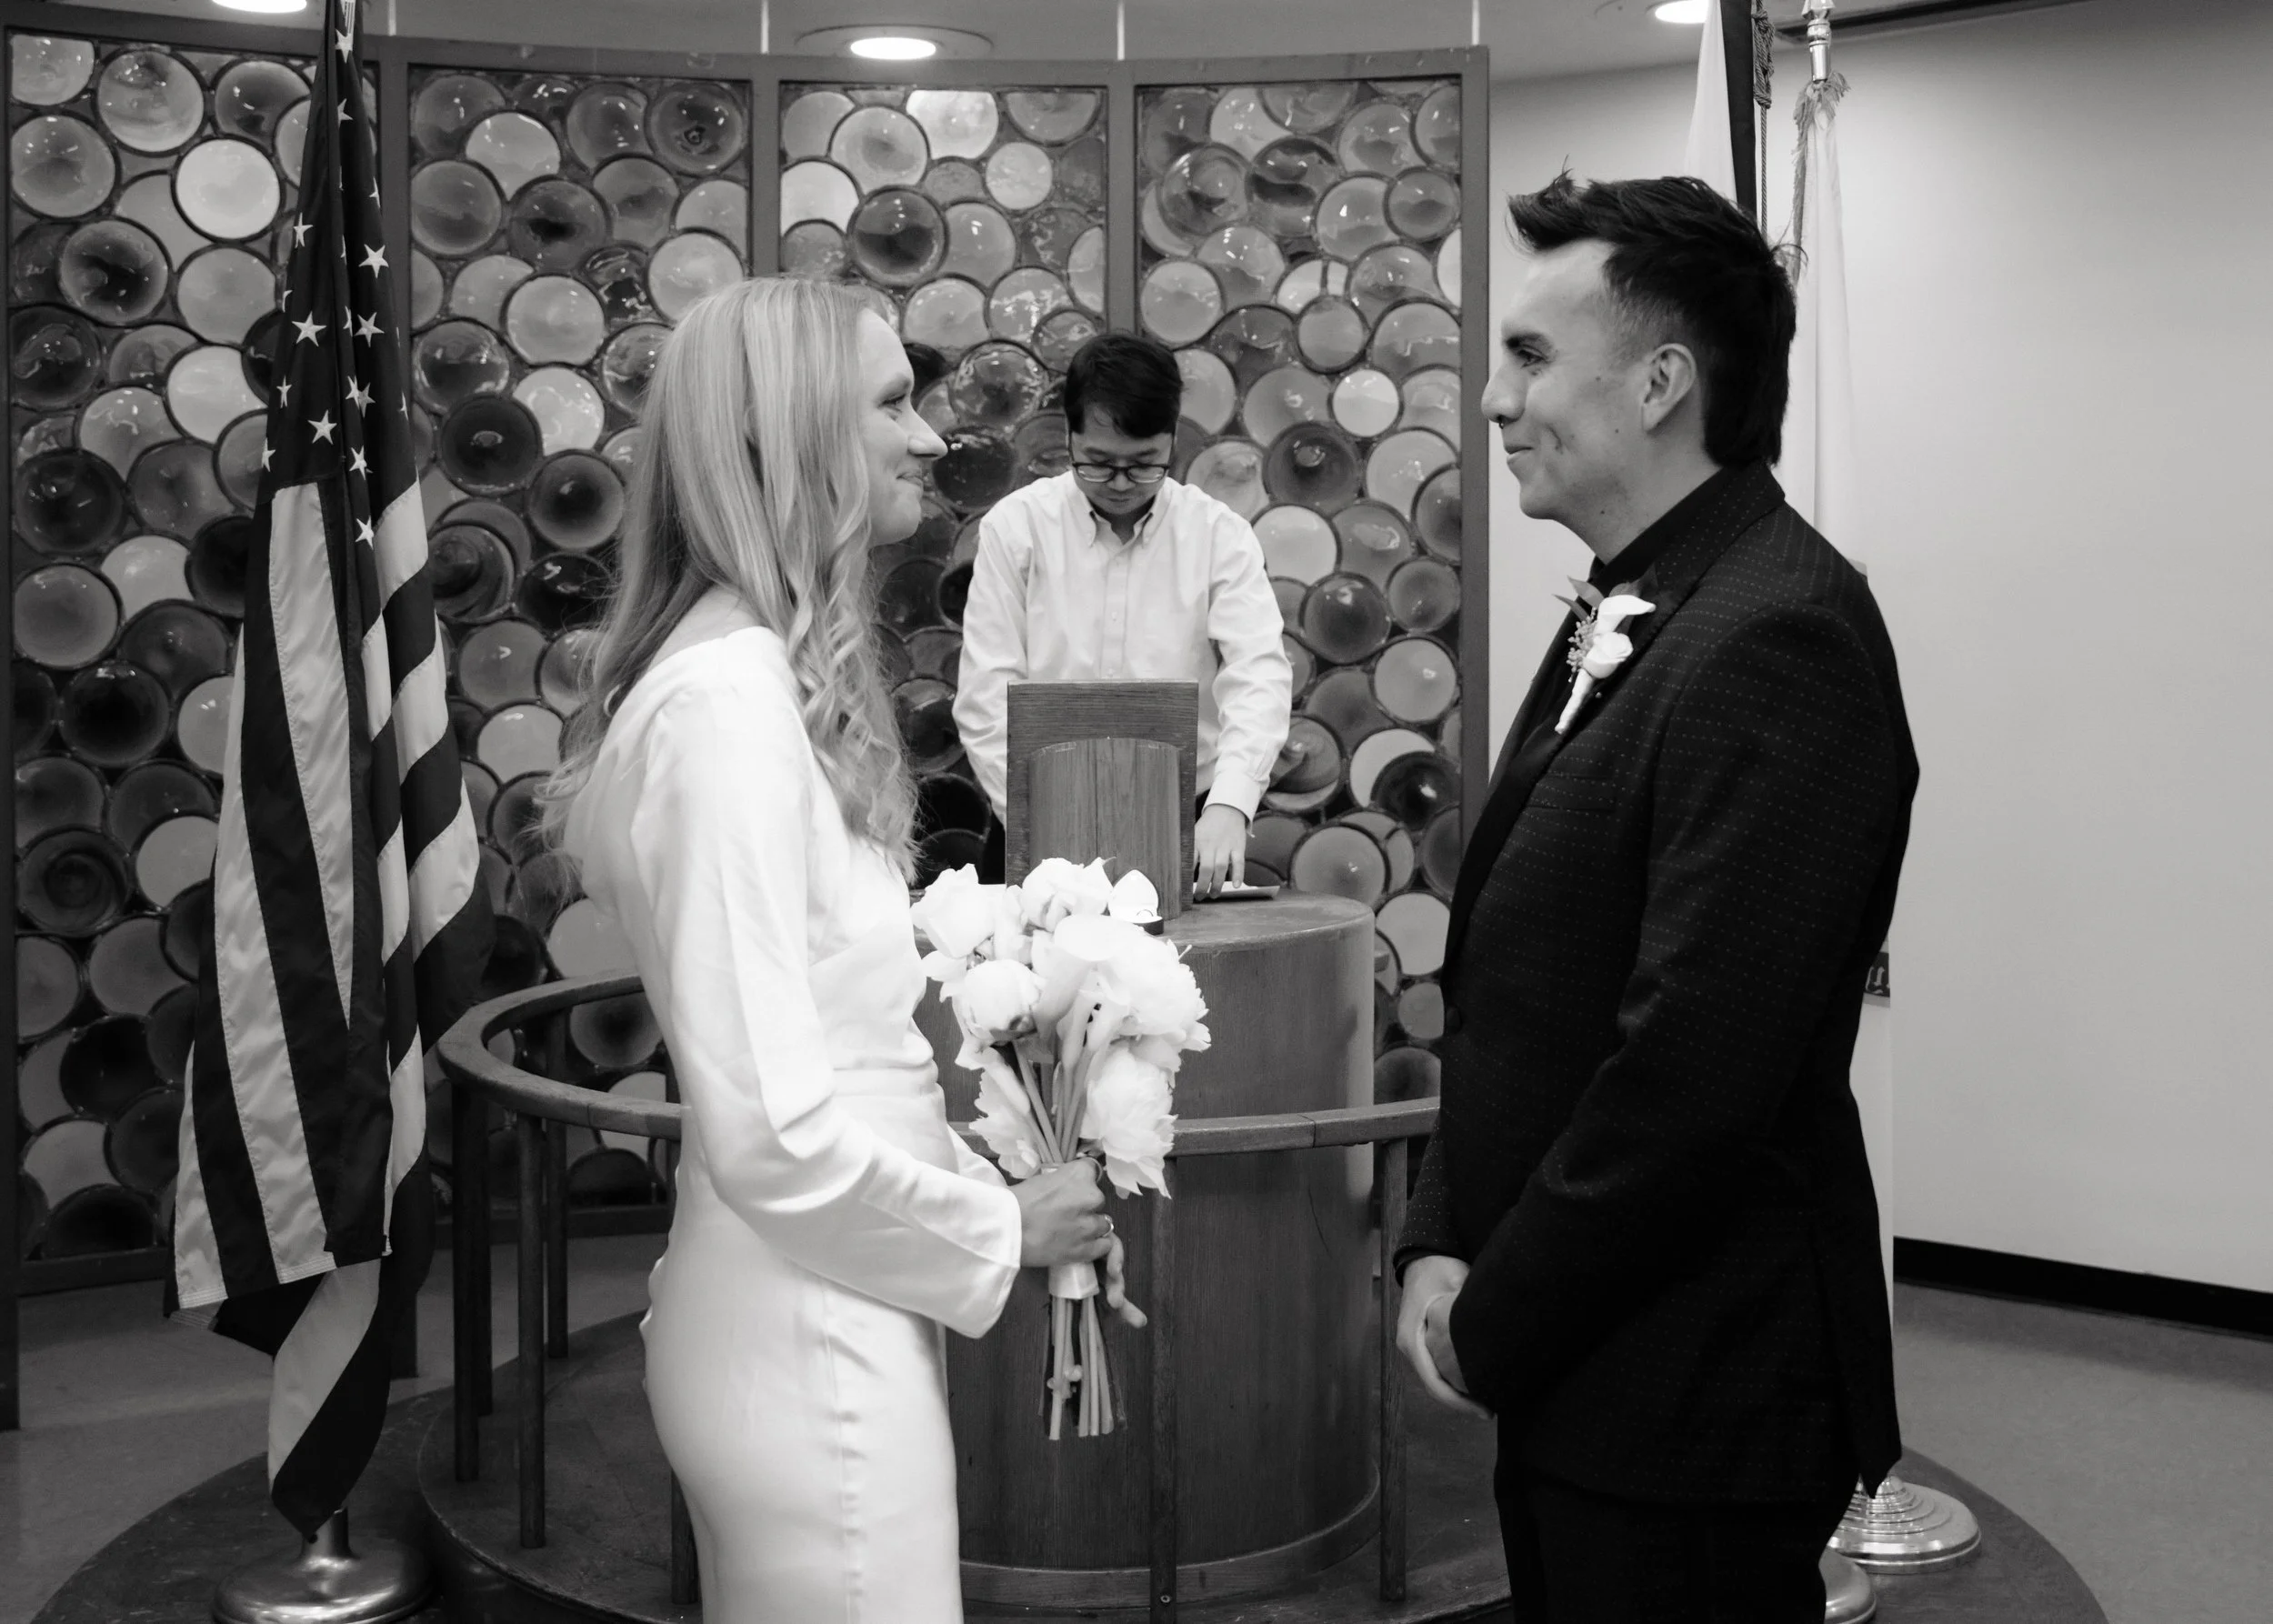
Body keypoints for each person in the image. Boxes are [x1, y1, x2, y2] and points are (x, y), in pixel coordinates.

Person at [540, 278, 1126, 1622]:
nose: (926, 438)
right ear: (789, 437)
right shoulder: (725, 709)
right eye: (886, 403)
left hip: (830, 1286)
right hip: (806, 1328)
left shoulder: (745, 677)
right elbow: (768, 1129)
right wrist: (1005, 1224)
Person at [1394, 175, 1917, 1622]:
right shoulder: (1648, 596)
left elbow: (1689, 1077)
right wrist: (1442, 1228)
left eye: (1531, 357)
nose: (1494, 401)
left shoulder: (1779, 632)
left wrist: (1493, 1314)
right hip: (1595, 1359)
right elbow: (1516, 981)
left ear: (1665, 381)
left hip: (1694, 1387)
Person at [953, 332, 1292, 897]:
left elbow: (1259, 674)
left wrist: (1231, 805)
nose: (1118, 485)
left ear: (1172, 444)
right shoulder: (1017, 528)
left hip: (1186, 815)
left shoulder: (1218, 535)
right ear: (1069, 438)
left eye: (1143, 466)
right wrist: (1040, 822)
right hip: (1036, 812)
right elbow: (987, 695)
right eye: (1097, 464)